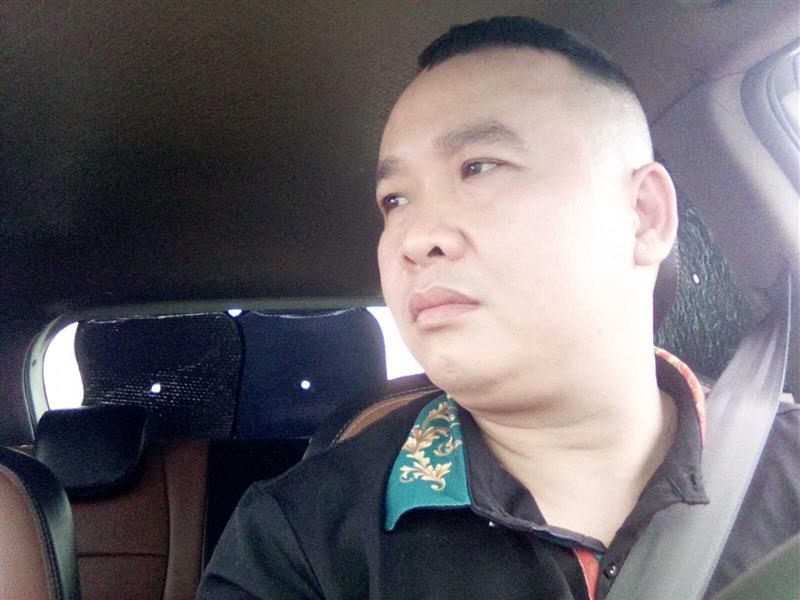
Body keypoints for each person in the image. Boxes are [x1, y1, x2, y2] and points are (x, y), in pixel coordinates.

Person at [198, 16, 799, 600]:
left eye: (478, 167)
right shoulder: (298, 542)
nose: (414, 239)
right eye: (395, 200)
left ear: (642, 216)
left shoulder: (787, 466)